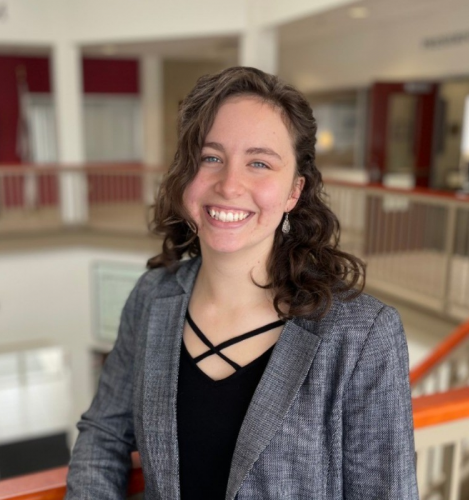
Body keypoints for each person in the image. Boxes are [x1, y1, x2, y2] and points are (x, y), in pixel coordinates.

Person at [65, 67, 419, 500]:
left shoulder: (362, 334)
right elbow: (103, 435)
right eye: (210, 158)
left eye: (259, 163)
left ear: (294, 191)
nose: (230, 185)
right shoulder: (151, 297)